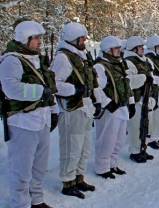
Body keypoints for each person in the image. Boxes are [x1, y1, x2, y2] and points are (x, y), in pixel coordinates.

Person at [0, 20, 58, 208]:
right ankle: (21, 204)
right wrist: (40, 92)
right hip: (22, 122)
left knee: (39, 166)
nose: (40, 41)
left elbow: (49, 87)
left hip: (41, 120)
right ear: (25, 39)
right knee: (21, 169)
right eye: (36, 38)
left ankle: (37, 200)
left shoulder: (38, 59)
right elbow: (11, 89)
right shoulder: (11, 60)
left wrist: (53, 110)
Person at [50, 22, 100, 198]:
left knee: (84, 146)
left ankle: (79, 177)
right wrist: (74, 90)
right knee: (71, 146)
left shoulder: (81, 56)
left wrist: (96, 99)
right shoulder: (63, 58)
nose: (85, 41)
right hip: (71, 108)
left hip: (85, 107)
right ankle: (67, 181)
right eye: (82, 38)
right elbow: (54, 84)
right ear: (73, 39)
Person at [94, 36, 135, 179]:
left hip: (122, 106)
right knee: (107, 139)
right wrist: (107, 103)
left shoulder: (119, 64)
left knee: (119, 139)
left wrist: (131, 102)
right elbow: (96, 88)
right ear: (108, 50)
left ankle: (113, 164)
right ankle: (102, 167)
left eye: (119, 48)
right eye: (116, 48)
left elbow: (126, 84)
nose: (119, 51)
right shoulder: (100, 66)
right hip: (110, 109)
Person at [123, 36, 156, 163]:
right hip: (136, 98)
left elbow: (151, 77)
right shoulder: (129, 62)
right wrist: (143, 78)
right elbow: (129, 82)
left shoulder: (146, 60)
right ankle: (135, 151)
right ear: (133, 49)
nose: (143, 49)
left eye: (142, 47)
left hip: (146, 97)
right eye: (140, 47)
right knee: (135, 126)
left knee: (146, 125)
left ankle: (143, 148)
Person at [144, 35, 159, 149]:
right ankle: (151, 138)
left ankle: (156, 136)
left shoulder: (158, 58)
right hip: (154, 91)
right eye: (158, 47)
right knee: (153, 116)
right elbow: (150, 75)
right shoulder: (149, 59)